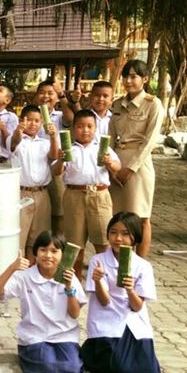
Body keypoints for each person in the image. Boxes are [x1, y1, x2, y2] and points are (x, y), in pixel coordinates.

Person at [0, 232, 87, 373]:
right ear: (35, 253)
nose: (48, 255)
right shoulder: (25, 276)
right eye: (43, 250)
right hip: (35, 336)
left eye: (54, 251)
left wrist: (68, 288)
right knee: (46, 367)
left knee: (72, 369)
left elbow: (74, 314)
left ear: (63, 254)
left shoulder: (70, 277)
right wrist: (12, 268)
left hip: (64, 335)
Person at [81, 212, 161, 373]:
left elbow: (137, 307)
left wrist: (131, 290)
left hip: (133, 322)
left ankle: (92, 356)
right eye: (113, 232)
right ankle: (93, 353)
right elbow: (104, 301)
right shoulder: (98, 261)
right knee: (123, 371)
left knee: (149, 371)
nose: (118, 238)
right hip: (107, 320)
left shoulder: (143, 266)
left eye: (125, 234)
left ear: (135, 237)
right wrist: (97, 280)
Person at [53, 109, 121, 278]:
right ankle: (73, 283)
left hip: (99, 195)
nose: (85, 130)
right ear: (73, 129)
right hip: (74, 196)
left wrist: (109, 163)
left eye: (90, 126)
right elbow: (56, 171)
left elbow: (118, 167)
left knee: (103, 241)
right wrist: (61, 160)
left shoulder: (103, 148)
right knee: (74, 245)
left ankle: (105, 281)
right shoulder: (68, 149)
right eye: (80, 126)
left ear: (96, 128)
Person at [109, 60, 165, 258]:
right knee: (119, 218)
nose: (128, 80)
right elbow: (109, 139)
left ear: (145, 79)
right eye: (126, 76)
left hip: (139, 166)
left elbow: (149, 141)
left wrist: (130, 169)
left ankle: (140, 264)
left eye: (134, 76)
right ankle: (121, 262)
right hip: (116, 164)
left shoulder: (153, 104)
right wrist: (112, 168)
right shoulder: (116, 105)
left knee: (140, 217)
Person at [8, 105, 59, 260]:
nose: (33, 124)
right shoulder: (16, 140)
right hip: (21, 193)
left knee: (38, 238)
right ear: (21, 120)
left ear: (42, 122)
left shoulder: (44, 143)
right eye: (29, 120)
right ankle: (17, 273)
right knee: (19, 237)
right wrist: (18, 131)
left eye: (37, 120)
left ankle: (33, 269)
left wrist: (53, 136)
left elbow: (54, 155)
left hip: (42, 193)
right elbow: (13, 143)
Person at [34, 79, 68, 234]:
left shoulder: (60, 116)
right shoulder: (31, 116)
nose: (45, 96)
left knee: (58, 210)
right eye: (41, 93)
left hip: (55, 164)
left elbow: (70, 120)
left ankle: (58, 243)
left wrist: (63, 96)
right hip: (35, 165)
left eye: (50, 93)